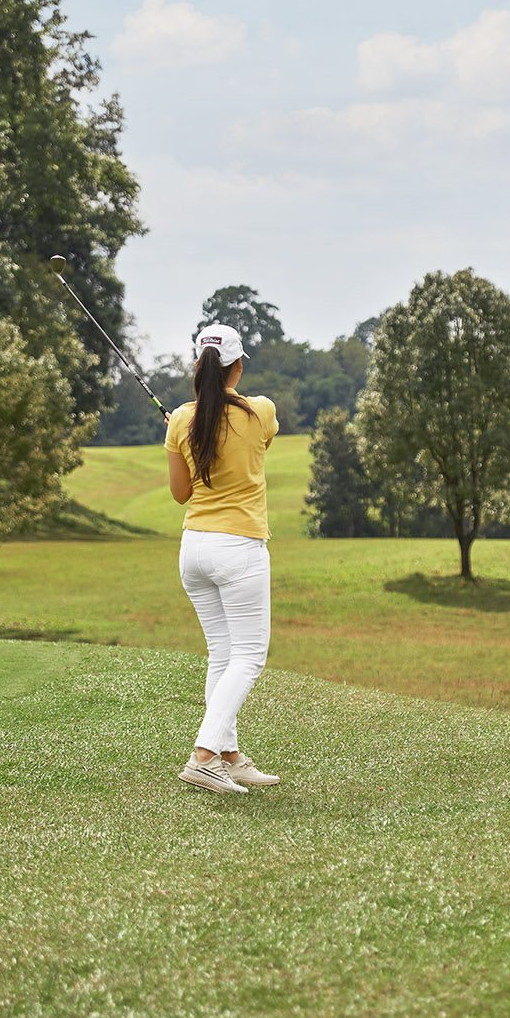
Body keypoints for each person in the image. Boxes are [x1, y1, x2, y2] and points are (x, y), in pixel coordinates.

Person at [164, 323, 282, 794]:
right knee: (249, 658)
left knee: (224, 654)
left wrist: (187, 433)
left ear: (198, 365)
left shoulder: (179, 421)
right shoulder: (262, 411)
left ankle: (230, 756)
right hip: (238, 550)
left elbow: (181, 493)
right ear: (237, 365)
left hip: (194, 548)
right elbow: (258, 446)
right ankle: (204, 754)